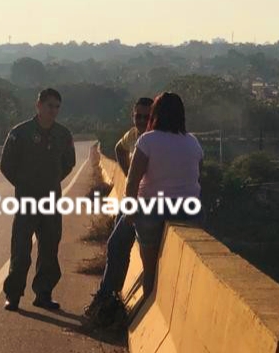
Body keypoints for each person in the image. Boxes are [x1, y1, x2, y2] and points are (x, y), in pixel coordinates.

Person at [0, 88, 76, 311]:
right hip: (26, 201)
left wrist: (51, 182)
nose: (53, 111)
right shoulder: (20, 133)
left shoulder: (63, 134)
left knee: (49, 250)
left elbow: (68, 163)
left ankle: (43, 293)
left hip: (51, 201)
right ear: (38, 105)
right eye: (49, 105)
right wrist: (24, 184)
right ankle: (13, 295)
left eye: (56, 107)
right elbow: (6, 165)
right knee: (21, 251)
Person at [125, 92, 203, 295]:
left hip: (152, 207)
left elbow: (132, 180)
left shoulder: (147, 141)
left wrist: (130, 211)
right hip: (188, 208)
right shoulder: (193, 141)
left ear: (155, 114)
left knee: (150, 269)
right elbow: (196, 175)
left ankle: (148, 300)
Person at [84, 98, 153, 327]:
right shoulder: (134, 135)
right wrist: (127, 172)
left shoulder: (153, 138)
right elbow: (119, 149)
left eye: (146, 116)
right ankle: (109, 295)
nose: (142, 121)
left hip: (146, 202)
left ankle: (106, 298)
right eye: (138, 116)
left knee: (117, 243)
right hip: (134, 199)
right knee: (116, 244)